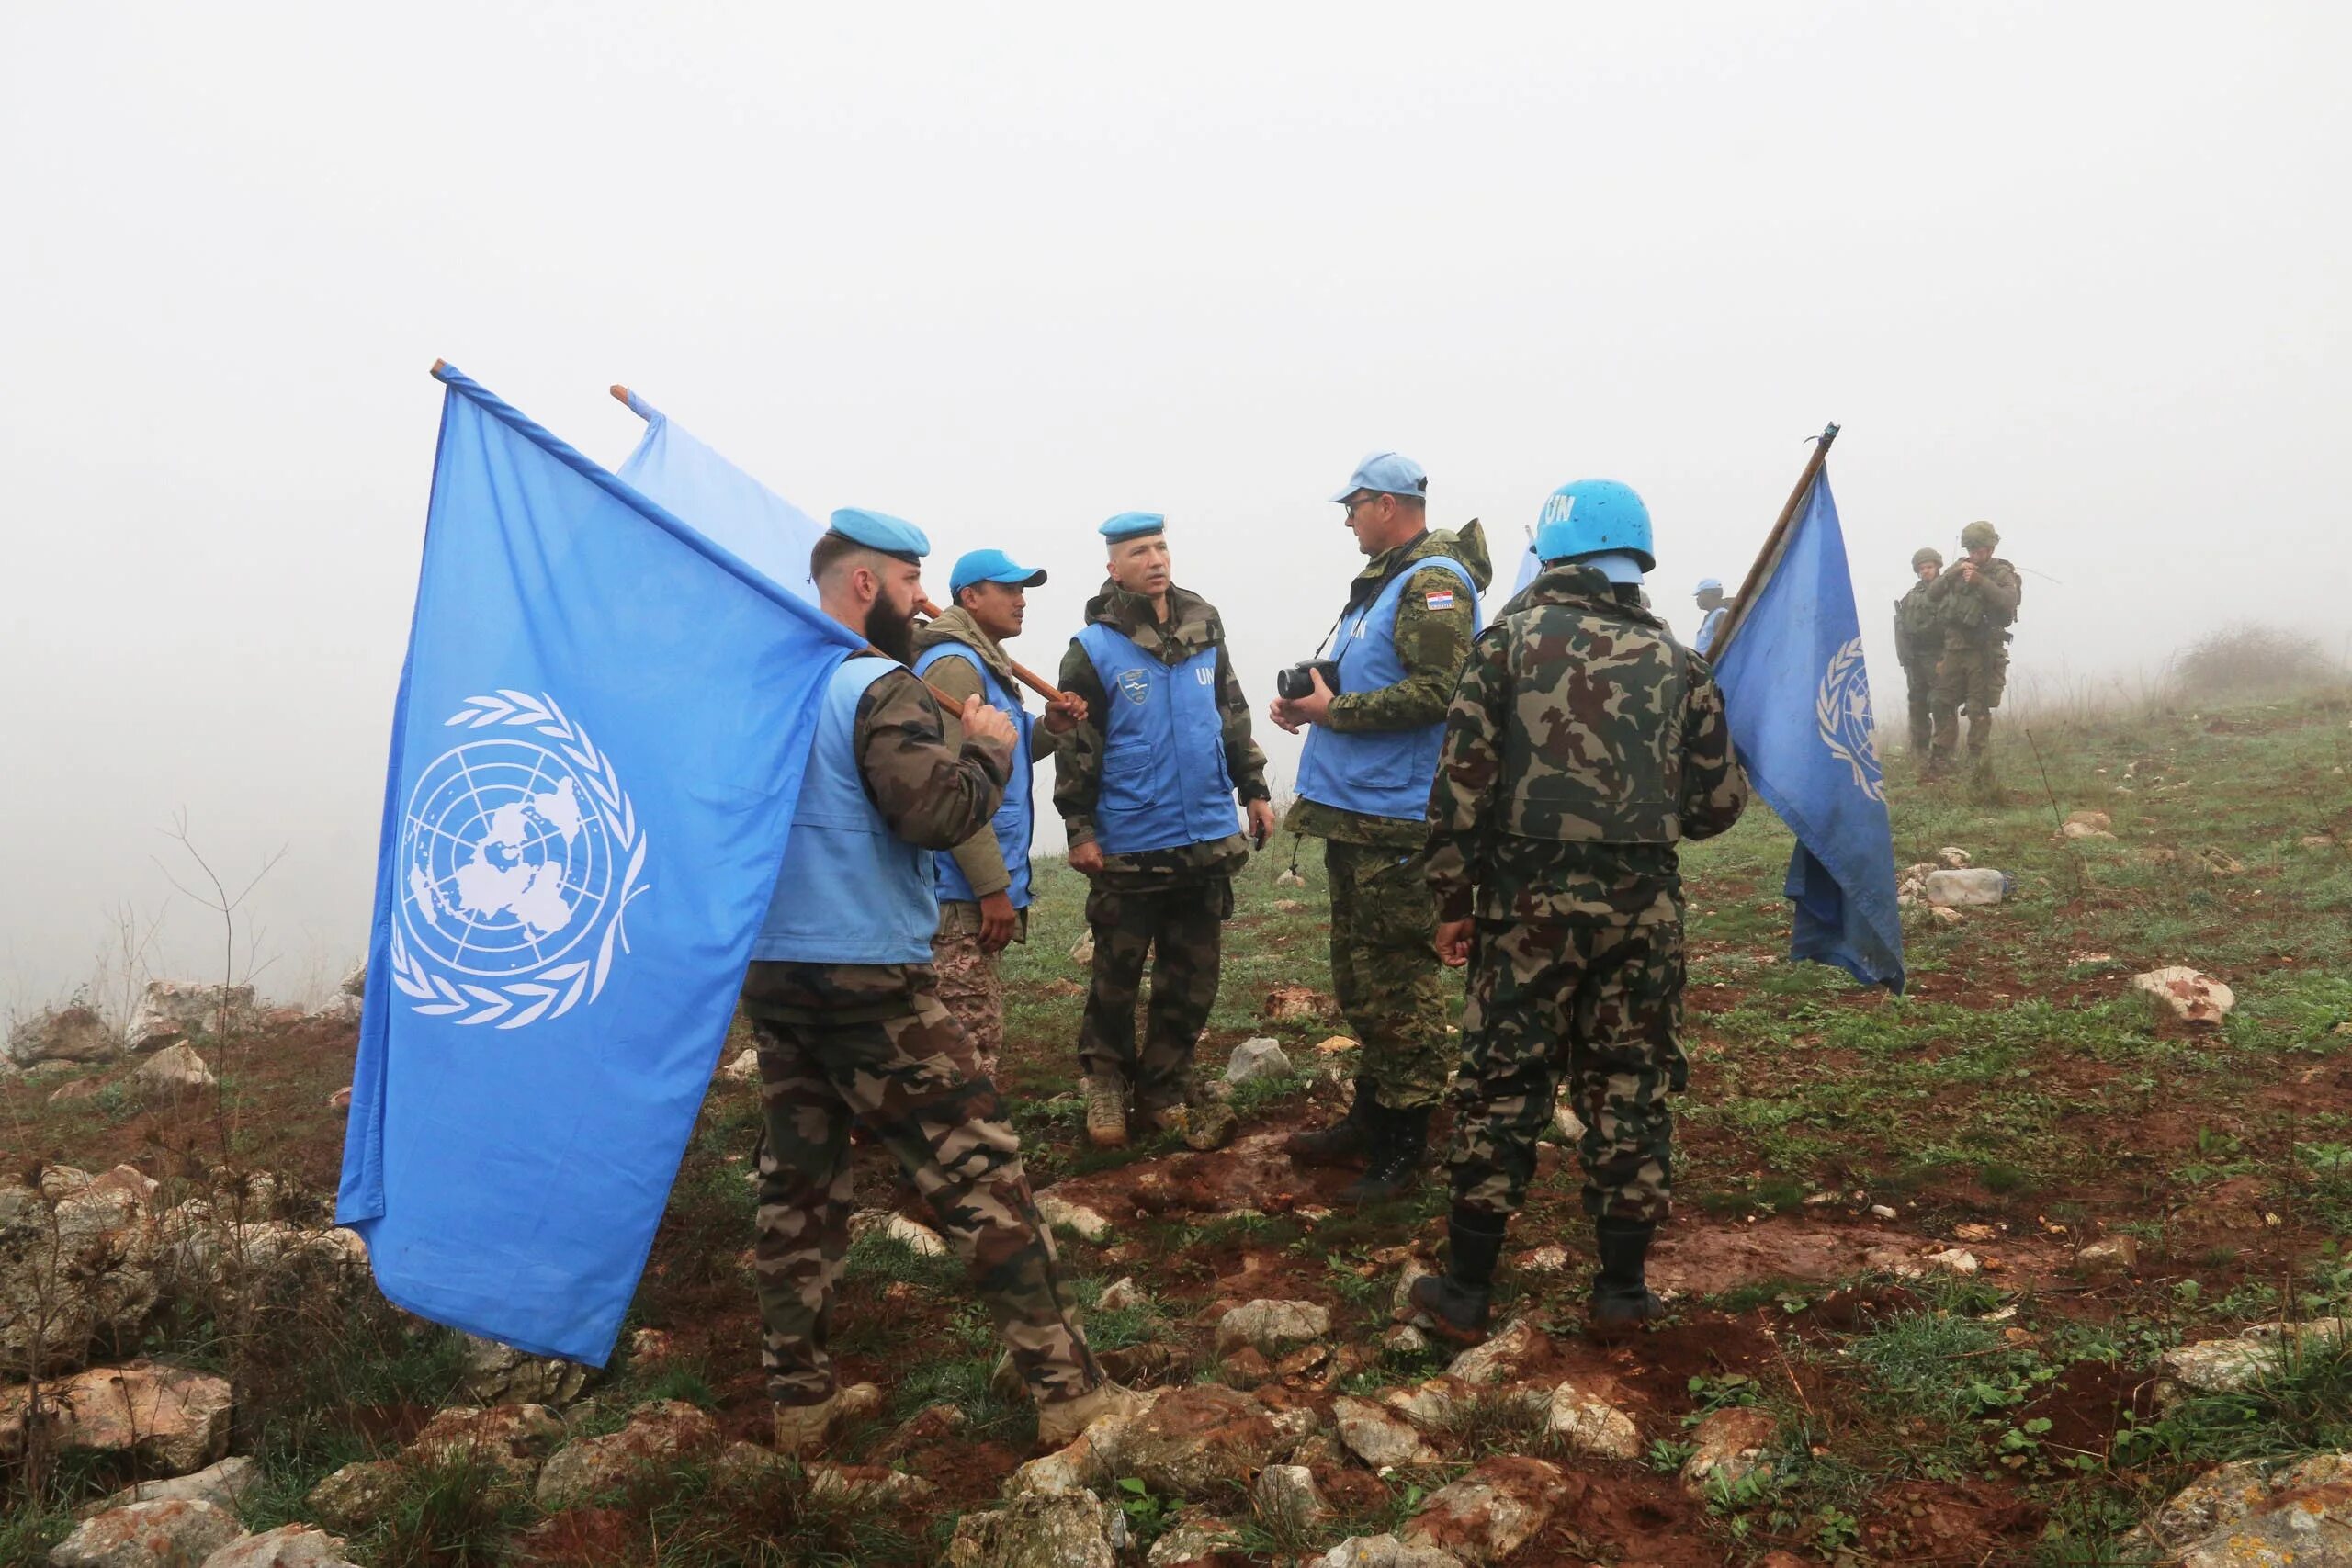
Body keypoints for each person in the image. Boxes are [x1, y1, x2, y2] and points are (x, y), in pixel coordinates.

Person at [742, 508, 1137, 1455]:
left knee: (797, 1188)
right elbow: (930, 811)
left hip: (772, 969)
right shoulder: (878, 685)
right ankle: (1068, 1390)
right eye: (912, 582)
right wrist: (992, 751)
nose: (922, 604)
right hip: (868, 972)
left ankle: (797, 1403)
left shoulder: (763, 687)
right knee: (978, 1171)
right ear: (866, 585)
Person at [1408, 479, 1749, 1343]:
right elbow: (1718, 806)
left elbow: (1458, 794)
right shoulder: (1681, 663)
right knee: (1632, 1088)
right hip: (1643, 915)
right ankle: (1623, 1293)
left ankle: (1467, 1290)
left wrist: (1452, 901)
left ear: (1553, 554)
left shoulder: (1505, 648)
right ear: (1636, 559)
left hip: (1523, 914)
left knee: (1502, 1085)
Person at [1271, 452, 1488, 1203]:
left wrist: (1337, 712)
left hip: (1399, 817)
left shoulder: (1433, 582)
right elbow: (1374, 676)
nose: (1348, 518)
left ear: (1388, 504)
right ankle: (1373, 1114)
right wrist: (1313, 699)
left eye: (1354, 506)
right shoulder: (1388, 580)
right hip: (1357, 812)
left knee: (1400, 983)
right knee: (1363, 980)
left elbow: (1440, 692)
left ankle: (1406, 1141)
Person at [1055, 512, 1275, 1150]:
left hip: (1205, 831)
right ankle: (1104, 1082)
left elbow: (1229, 710)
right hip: (1130, 837)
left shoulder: (1204, 623)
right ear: (1113, 566)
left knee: (1192, 976)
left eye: (1160, 546)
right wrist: (1079, 827)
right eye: (1138, 551)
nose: (1155, 559)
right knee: (1117, 974)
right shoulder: (1092, 647)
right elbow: (1078, 744)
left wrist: (1253, 787)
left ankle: (1164, 1086)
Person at [910, 549, 1088, 1078]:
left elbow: (994, 755)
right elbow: (951, 786)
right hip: (957, 894)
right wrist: (991, 889)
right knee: (968, 1051)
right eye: (1008, 589)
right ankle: (968, 1157)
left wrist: (1049, 728)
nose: (1021, 599)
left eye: (1024, 589)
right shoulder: (955, 665)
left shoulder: (983, 660)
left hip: (972, 889)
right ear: (970, 597)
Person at [1922, 521, 2022, 784]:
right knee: (1941, 702)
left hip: (1983, 650)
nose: (1973, 553)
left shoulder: (2001, 573)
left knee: (1977, 707)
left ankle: (1978, 761)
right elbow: (1932, 595)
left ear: (1990, 548)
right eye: (1970, 548)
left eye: (1978, 549)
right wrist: (1952, 574)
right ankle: (1940, 758)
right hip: (1954, 648)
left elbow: (2008, 601)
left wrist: (1980, 581)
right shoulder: (1958, 568)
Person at [1893, 547, 1947, 760]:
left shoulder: (1946, 591)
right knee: (1917, 703)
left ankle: (1942, 751)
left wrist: (1946, 657)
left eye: (1930, 567)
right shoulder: (1911, 596)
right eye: (1922, 568)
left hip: (1938, 654)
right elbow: (1902, 627)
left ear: (1937, 568)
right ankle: (1919, 749)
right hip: (1915, 657)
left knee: (1941, 703)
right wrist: (1906, 657)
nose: (1926, 571)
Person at [1690, 578, 1729, 656]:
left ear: (1707, 593)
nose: (1697, 598)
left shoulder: (1721, 615)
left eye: (1699, 594)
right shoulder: (1712, 616)